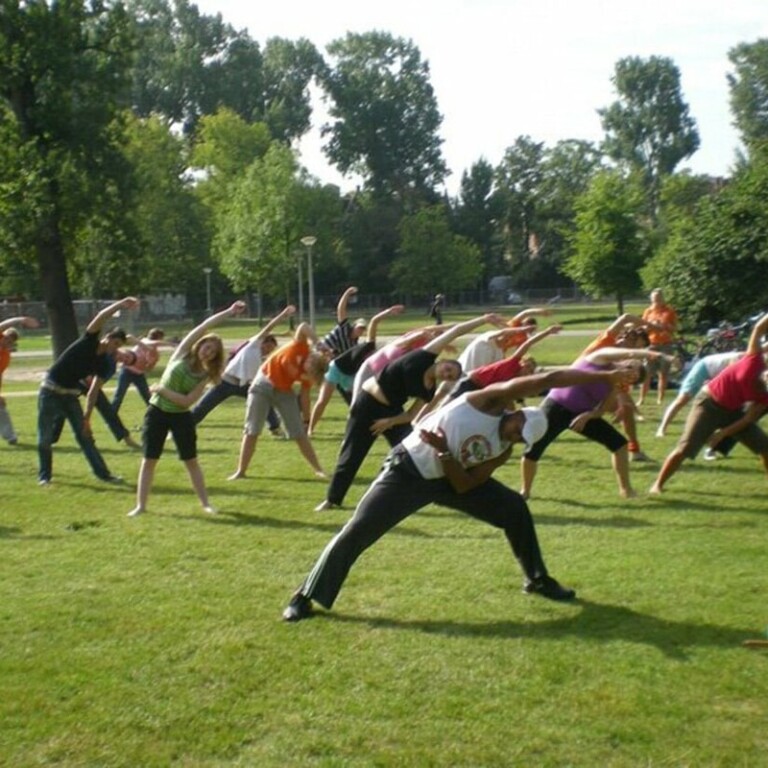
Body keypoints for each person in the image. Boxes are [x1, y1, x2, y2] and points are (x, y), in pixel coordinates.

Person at [282, 364, 634, 622]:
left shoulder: (505, 448)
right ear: (515, 414)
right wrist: (604, 377)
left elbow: (466, 485)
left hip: (450, 476)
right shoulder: (486, 401)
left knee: (513, 508)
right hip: (408, 470)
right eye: (517, 430)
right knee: (359, 530)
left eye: (522, 440)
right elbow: (549, 379)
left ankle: (537, 579)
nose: (515, 438)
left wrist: (446, 454)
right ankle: (305, 595)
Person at [314, 314, 503, 512]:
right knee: (353, 453)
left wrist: (390, 421)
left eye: (450, 376)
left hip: (393, 412)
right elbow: (455, 331)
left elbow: (411, 415)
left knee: (411, 451)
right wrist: (483, 320)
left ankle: (413, 492)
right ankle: (332, 500)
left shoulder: (429, 391)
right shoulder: (425, 355)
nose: (446, 374)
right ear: (442, 361)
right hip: (366, 405)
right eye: (447, 368)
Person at [128, 301, 246, 517]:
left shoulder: (205, 375)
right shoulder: (181, 353)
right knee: (149, 460)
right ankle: (141, 506)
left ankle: (205, 504)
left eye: (212, 351)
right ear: (199, 345)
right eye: (206, 346)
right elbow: (203, 327)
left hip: (180, 417)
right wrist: (229, 312)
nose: (208, 352)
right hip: (156, 413)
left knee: (191, 461)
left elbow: (186, 401)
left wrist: (162, 390)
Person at [520, 346, 673, 500]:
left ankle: (626, 490)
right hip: (556, 406)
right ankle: (525, 492)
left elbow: (602, 410)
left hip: (581, 414)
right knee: (534, 448)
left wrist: (589, 415)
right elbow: (630, 352)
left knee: (619, 444)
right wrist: (656, 354)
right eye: (630, 369)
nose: (627, 374)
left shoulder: (615, 385)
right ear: (626, 362)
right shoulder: (599, 358)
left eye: (631, 377)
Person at [650, 312, 768, 494]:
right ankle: (657, 485)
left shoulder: (765, 395)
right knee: (685, 448)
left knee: (764, 446)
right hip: (708, 403)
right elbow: (759, 328)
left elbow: (748, 419)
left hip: (733, 412)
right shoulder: (753, 360)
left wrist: (722, 434)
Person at [37, 297, 138, 486]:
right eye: (114, 343)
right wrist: (121, 303)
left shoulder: (104, 363)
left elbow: (93, 392)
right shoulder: (89, 340)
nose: (115, 349)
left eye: (119, 346)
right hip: (49, 391)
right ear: (107, 337)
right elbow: (102, 316)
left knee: (85, 437)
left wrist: (87, 418)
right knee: (45, 438)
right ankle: (45, 477)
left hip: (69, 396)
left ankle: (104, 475)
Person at [227, 321, 329, 481]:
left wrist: (306, 420)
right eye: (310, 362)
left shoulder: (309, 375)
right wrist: (318, 342)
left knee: (299, 434)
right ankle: (241, 471)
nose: (307, 366)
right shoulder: (300, 346)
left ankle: (318, 470)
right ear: (312, 356)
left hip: (284, 391)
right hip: (262, 384)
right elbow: (302, 326)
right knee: (252, 430)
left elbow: (305, 396)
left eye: (311, 369)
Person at [191, 305, 295, 429]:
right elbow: (269, 328)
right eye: (267, 347)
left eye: (270, 350)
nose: (267, 351)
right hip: (225, 382)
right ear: (263, 342)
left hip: (245, 386)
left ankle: (275, 427)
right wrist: (283, 315)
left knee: (264, 402)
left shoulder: (264, 360)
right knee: (204, 406)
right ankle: (185, 425)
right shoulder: (254, 344)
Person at [308, 303, 405, 435]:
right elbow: (374, 322)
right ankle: (310, 430)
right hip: (336, 369)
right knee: (323, 400)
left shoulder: (377, 362)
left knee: (360, 403)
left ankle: (361, 429)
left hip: (350, 377)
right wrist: (389, 311)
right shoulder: (369, 345)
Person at [578, 314, 653, 462]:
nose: (635, 354)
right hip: (574, 389)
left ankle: (635, 450)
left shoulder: (625, 364)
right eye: (638, 348)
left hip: (593, 394)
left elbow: (620, 391)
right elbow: (625, 318)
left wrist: (622, 408)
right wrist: (652, 326)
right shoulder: (605, 343)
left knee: (626, 409)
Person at [655, 351, 743, 438]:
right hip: (704, 368)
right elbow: (730, 373)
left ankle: (715, 431)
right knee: (682, 399)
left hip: (716, 374)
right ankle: (662, 428)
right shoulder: (741, 358)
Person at [0, 315, 41, 445]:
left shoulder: (5, 357)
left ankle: (11, 437)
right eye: (5, 337)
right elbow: (3, 325)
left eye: (9, 341)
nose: (5, 341)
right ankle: (10, 436)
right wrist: (20, 320)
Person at [111, 328, 169, 416]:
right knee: (119, 395)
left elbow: (148, 369)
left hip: (139, 374)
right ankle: (111, 416)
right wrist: (172, 344)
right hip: (127, 371)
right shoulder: (144, 341)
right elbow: (129, 337)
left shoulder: (155, 353)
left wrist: (152, 362)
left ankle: (156, 416)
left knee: (147, 396)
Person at [638, 288, 678, 405]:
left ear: (662, 298)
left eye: (659, 298)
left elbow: (675, 328)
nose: (656, 301)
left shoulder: (669, 311)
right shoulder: (648, 311)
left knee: (663, 373)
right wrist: (650, 326)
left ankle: (660, 399)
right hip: (651, 344)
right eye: (654, 299)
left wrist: (665, 325)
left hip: (666, 344)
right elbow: (642, 328)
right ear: (651, 299)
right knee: (646, 373)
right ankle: (642, 399)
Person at [457, 325, 536, 372]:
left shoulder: (499, 354)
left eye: (510, 338)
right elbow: (502, 332)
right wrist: (521, 329)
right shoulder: (486, 339)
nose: (506, 339)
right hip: (460, 373)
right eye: (507, 336)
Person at [319, 286, 368, 359]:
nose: (360, 331)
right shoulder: (344, 327)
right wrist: (347, 293)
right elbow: (341, 309)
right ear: (354, 326)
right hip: (321, 348)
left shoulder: (353, 345)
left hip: (329, 358)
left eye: (362, 329)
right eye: (359, 328)